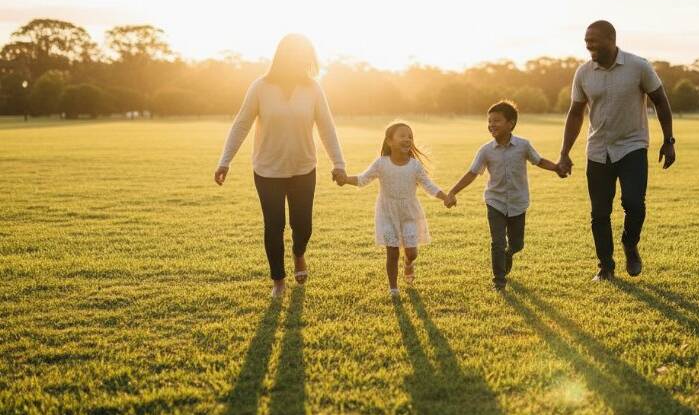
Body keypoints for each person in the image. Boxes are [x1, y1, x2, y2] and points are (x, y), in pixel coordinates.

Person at [214, 34, 346, 296]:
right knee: (274, 226)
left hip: (303, 168)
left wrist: (338, 163)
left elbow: (326, 127)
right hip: (268, 170)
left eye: (304, 55)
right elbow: (241, 124)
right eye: (295, 54)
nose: (301, 59)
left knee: (303, 225)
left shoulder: (313, 89)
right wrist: (225, 161)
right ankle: (278, 280)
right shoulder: (260, 87)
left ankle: (299, 253)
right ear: (282, 56)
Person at [557, 20, 676, 281]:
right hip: (598, 150)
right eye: (586, 41)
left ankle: (630, 244)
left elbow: (660, 101)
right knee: (599, 212)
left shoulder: (638, 66)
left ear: (611, 39)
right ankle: (606, 267)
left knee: (634, 204)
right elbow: (575, 113)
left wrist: (669, 140)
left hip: (632, 146)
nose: (589, 45)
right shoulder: (583, 73)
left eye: (594, 40)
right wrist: (565, 152)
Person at [448, 101, 563, 292]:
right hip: (495, 202)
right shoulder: (485, 150)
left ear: (511, 124)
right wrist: (453, 191)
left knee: (517, 244)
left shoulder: (523, 145)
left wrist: (557, 168)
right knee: (498, 242)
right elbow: (472, 173)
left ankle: (508, 254)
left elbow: (539, 161)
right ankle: (499, 281)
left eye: (496, 121)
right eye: (489, 121)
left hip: (518, 202)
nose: (491, 125)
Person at [337, 121, 454, 297]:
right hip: (387, 213)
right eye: (402, 136)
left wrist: (445, 197)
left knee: (412, 252)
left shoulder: (414, 166)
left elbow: (428, 185)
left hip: (409, 213)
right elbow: (363, 179)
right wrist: (345, 179)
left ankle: (408, 262)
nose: (407, 139)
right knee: (392, 252)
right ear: (389, 141)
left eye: (410, 136)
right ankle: (393, 288)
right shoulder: (381, 163)